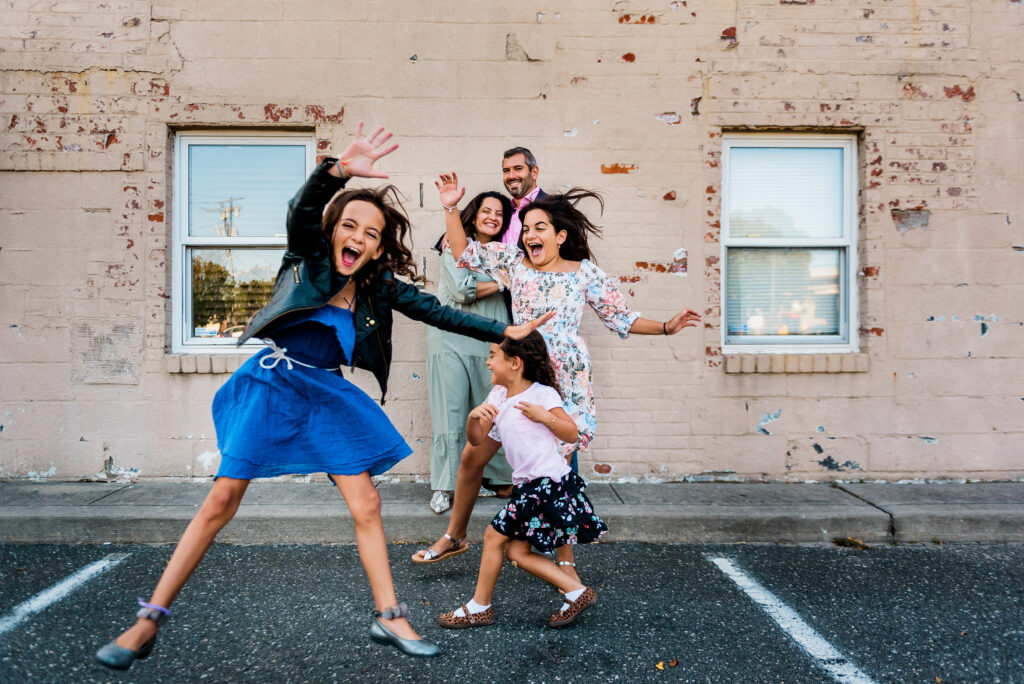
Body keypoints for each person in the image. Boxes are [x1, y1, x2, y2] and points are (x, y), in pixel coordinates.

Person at [94, 124, 553, 670]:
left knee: (367, 502)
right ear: (333, 230)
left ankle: (389, 614)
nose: (358, 238)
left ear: (380, 248)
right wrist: (336, 170)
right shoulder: (305, 259)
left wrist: (506, 334)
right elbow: (301, 208)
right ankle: (148, 621)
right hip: (272, 385)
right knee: (221, 501)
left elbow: (439, 311)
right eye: (350, 226)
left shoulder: (376, 289)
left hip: (325, 393)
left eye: (372, 233)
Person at [412, 172, 700, 579]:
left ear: (560, 236)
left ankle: (566, 564)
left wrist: (667, 327)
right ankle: (456, 535)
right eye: (526, 229)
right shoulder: (515, 264)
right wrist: (451, 208)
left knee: (558, 469)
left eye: (539, 228)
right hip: (520, 371)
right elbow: (464, 253)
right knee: (471, 456)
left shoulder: (584, 273)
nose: (530, 235)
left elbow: (622, 317)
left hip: (565, 381)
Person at [437, 332, 606, 630]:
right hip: (528, 487)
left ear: (515, 363)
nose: (488, 363)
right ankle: (576, 591)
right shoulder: (499, 397)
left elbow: (570, 433)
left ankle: (480, 607)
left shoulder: (542, 394)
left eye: (493, 356)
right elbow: (476, 442)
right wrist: (472, 418)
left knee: (492, 536)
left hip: (546, 484)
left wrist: (545, 417)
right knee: (516, 551)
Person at [425, 191, 515, 514]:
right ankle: (445, 487)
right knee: (450, 413)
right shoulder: (454, 242)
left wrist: (501, 277)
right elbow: (463, 290)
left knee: (490, 412)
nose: (492, 217)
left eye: (499, 214)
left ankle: (487, 480)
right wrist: (503, 282)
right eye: (486, 211)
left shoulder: (505, 252)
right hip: (450, 337)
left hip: (491, 339)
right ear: (474, 215)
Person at [499, 146, 547, 247]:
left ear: (534, 173)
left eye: (518, 169)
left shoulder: (557, 206)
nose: (511, 176)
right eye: (506, 170)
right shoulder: (501, 212)